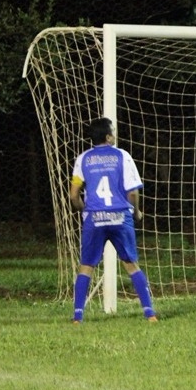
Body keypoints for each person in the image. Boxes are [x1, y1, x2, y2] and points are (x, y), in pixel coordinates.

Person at [69, 117, 157, 323]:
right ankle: (149, 313)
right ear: (108, 137)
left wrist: (85, 210)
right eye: (113, 132)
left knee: (86, 266)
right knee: (131, 264)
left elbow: (73, 195)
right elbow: (133, 192)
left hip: (94, 217)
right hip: (120, 216)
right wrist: (136, 212)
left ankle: (77, 317)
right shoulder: (122, 156)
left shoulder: (82, 159)